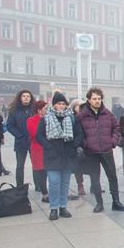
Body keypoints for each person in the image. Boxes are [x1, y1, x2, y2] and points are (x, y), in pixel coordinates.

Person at [78, 87, 124, 213]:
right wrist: (86, 144)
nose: (97, 101)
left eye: (99, 99)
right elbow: (79, 133)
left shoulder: (107, 113)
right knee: (95, 178)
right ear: (89, 100)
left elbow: (116, 128)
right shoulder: (82, 116)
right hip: (92, 153)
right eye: (94, 99)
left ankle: (116, 202)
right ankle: (99, 203)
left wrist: (113, 141)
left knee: (112, 176)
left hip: (106, 151)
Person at [36, 92, 83, 220]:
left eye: (63, 103)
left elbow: (79, 134)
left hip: (68, 155)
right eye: (58, 103)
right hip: (52, 155)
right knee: (54, 182)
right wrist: (48, 146)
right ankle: (53, 208)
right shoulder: (46, 118)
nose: (61, 106)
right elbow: (39, 136)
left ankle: (63, 207)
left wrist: (74, 145)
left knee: (65, 183)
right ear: (54, 105)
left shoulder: (72, 118)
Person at [6, 89, 35, 187]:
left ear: (31, 98)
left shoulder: (34, 109)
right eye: (24, 96)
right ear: (20, 98)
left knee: (36, 164)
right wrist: (19, 135)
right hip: (20, 141)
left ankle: (39, 185)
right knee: (20, 166)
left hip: (33, 141)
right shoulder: (14, 110)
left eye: (28, 96)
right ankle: (19, 186)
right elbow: (10, 125)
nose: (26, 98)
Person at [27, 100, 49, 202]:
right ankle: (45, 194)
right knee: (41, 171)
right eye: (45, 109)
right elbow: (35, 134)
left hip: (48, 148)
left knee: (50, 171)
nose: (47, 110)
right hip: (37, 148)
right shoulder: (31, 120)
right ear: (39, 110)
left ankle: (50, 192)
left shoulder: (48, 118)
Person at [69, 99, 87, 196]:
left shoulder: (87, 117)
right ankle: (80, 185)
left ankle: (95, 185)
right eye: (78, 106)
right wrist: (76, 143)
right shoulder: (72, 118)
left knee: (93, 165)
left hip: (88, 144)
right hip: (77, 145)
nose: (80, 108)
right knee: (78, 167)